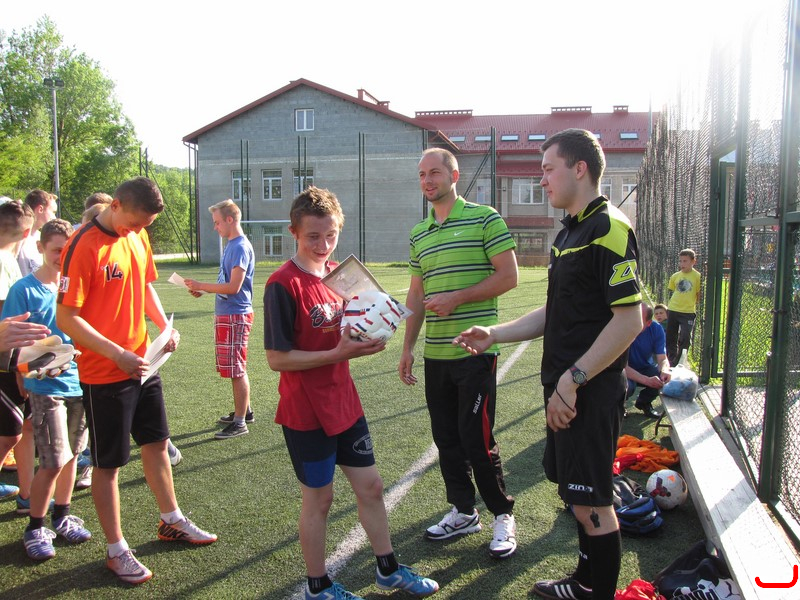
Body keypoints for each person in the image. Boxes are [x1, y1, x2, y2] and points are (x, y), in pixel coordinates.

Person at [454, 129, 642, 600]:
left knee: (594, 502)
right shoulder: (570, 231)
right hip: (565, 388)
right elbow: (555, 312)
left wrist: (573, 381)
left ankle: (597, 593)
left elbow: (629, 320)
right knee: (578, 498)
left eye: (547, 169)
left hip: (587, 391)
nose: (541, 180)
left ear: (580, 168)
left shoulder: (609, 229)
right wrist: (495, 333)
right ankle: (584, 582)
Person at [264, 186, 439, 599]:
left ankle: (388, 570)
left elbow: (348, 331)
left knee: (372, 487)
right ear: (294, 232)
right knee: (320, 500)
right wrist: (338, 353)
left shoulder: (340, 278)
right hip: (306, 412)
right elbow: (277, 358)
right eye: (313, 236)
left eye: (331, 235)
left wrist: (373, 331)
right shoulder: (282, 284)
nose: (323, 245)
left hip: (343, 401)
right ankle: (318, 587)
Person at [57, 177, 217, 585]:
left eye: (145, 226)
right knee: (108, 464)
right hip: (105, 372)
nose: (138, 231)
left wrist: (165, 327)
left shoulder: (137, 235)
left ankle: (171, 520)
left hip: (144, 363)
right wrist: (117, 354)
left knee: (157, 443)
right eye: (134, 223)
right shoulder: (82, 246)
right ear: (115, 205)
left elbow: (144, 286)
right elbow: (67, 318)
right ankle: (116, 550)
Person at [398, 148, 519, 559]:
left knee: (476, 437)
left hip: (475, 351)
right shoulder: (419, 233)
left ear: (454, 175)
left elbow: (509, 276)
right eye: (421, 175)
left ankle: (502, 513)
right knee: (446, 437)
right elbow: (416, 293)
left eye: (434, 172)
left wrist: (457, 298)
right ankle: (464, 511)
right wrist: (407, 347)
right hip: (436, 355)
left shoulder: (486, 218)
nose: (427, 181)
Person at [2, 218, 92, 560]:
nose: (61, 257)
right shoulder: (24, 290)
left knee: (72, 456)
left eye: (67, 251)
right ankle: (35, 527)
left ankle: (62, 516)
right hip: (44, 386)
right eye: (56, 250)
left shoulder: (75, 287)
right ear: (40, 248)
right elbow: (11, 343)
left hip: (80, 383)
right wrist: (23, 372)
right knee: (53, 460)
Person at [185, 199, 255, 439]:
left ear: (229, 219)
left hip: (235, 313)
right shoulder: (233, 245)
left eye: (217, 222)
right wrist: (204, 290)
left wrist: (201, 285)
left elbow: (234, 287)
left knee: (236, 369)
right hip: (230, 312)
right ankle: (245, 411)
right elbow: (227, 282)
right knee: (235, 366)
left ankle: (240, 422)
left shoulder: (239, 246)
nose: (215, 227)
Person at [0, 200, 34, 502]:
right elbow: (8, 323)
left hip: (12, 361)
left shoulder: (8, 259)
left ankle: (28, 494)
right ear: (27, 233)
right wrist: (21, 367)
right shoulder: (3, 261)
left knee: (22, 428)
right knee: (11, 432)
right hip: (6, 363)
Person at [625, 304, 671, 419]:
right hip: (624, 369)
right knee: (626, 386)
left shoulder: (656, 329)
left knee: (662, 379)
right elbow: (621, 366)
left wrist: (665, 370)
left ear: (649, 323)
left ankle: (644, 402)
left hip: (644, 367)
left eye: (639, 320)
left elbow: (662, 358)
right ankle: (619, 406)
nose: (633, 322)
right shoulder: (622, 329)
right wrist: (646, 380)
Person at [666, 249, 701, 366]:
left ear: (693, 261)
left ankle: (680, 360)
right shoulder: (675, 276)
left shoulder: (697, 276)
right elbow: (673, 291)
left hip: (688, 312)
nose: (682, 264)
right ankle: (671, 360)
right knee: (671, 336)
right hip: (673, 309)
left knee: (685, 337)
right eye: (680, 261)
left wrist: (693, 303)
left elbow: (698, 294)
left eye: (685, 261)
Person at [17, 189, 58, 276]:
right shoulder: (17, 237)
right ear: (40, 209)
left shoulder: (42, 238)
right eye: (53, 212)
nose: (55, 217)